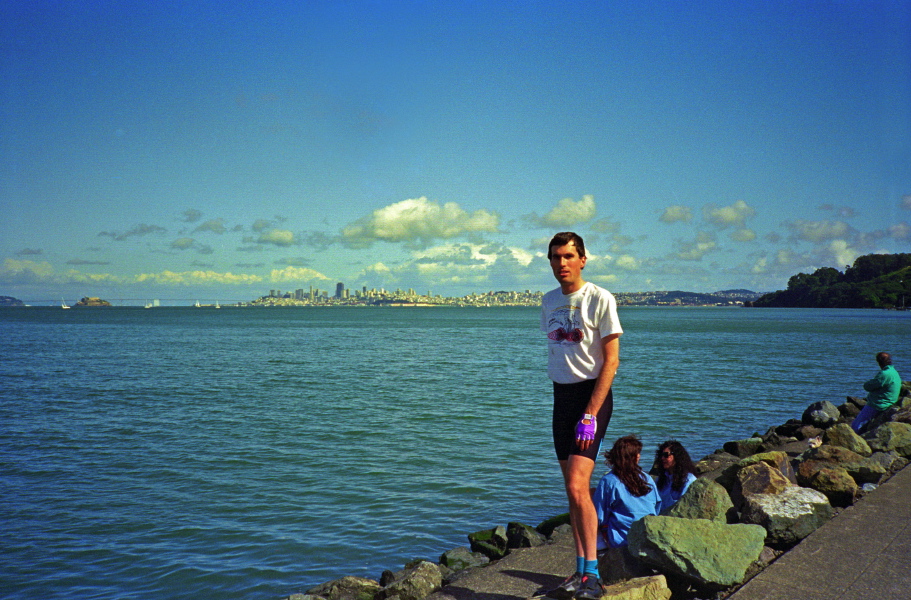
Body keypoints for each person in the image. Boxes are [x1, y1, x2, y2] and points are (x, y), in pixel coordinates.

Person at [540, 232, 622, 600]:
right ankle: (580, 570)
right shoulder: (548, 301)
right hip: (562, 398)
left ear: (583, 259)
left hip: (592, 398)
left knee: (577, 484)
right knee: (574, 493)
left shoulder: (600, 298)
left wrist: (590, 413)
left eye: (569, 256)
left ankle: (595, 576)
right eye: (556, 257)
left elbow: (612, 360)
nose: (562, 264)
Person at [592, 436, 660, 582]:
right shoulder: (647, 479)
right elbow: (656, 506)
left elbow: (598, 516)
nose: (640, 456)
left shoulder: (609, 481)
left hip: (621, 542)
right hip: (646, 539)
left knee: (589, 521)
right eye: (638, 453)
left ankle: (595, 571)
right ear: (634, 457)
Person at [851, 352, 902, 433]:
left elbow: (868, 386)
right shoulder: (893, 372)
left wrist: (868, 384)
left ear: (879, 362)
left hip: (879, 404)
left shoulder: (885, 374)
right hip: (889, 402)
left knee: (855, 426)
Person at [654, 440, 697, 513]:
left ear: (677, 456)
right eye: (661, 455)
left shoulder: (688, 480)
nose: (662, 458)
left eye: (666, 455)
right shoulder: (660, 480)